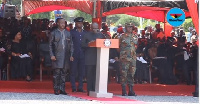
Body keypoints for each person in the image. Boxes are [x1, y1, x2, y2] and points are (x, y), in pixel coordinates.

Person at [49, 18, 73, 95]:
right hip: (57, 56)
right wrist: (52, 55)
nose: (63, 24)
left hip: (66, 56)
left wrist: (71, 55)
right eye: (61, 23)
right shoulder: (53, 33)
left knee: (64, 74)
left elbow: (71, 45)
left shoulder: (68, 33)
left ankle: (62, 89)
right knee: (56, 73)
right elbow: (50, 45)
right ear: (57, 24)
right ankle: (56, 89)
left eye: (64, 23)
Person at [81, 22, 104, 95]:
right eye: (93, 28)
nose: (95, 30)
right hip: (89, 58)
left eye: (96, 28)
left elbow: (106, 43)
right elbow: (82, 45)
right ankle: (89, 90)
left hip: (99, 58)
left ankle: (96, 89)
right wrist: (89, 44)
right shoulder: (86, 35)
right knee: (90, 75)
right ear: (91, 28)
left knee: (97, 75)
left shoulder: (101, 35)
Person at [119, 23, 138, 96]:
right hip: (125, 58)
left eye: (131, 27)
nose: (130, 28)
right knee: (124, 73)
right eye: (128, 27)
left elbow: (136, 46)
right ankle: (124, 90)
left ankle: (131, 90)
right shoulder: (121, 36)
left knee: (132, 73)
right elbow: (118, 46)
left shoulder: (135, 36)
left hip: (132, 57)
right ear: (125, 28)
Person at [70, 17, 86, 92]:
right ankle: (73, 87)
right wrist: (71, 55)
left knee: (81, 72)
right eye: (78, 23)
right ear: (75, 23)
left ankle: (80, 87)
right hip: (74, 54)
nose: (79, 24)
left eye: (81, 23)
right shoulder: (72, 32)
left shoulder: (85, 33)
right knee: (73, 71)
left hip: (82, 55)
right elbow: (70, 44)